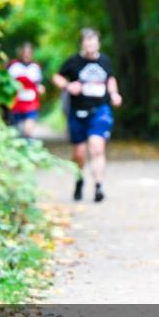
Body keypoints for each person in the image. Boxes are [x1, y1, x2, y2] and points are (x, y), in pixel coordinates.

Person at [52, 29, 123, 203]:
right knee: (79, 154)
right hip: (77, 112)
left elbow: (110, 79)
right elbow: (57, 77)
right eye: (87, 42)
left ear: (98, 43)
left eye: (94, 42)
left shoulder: (105, 61)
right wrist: (68, 86)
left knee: (97, 147)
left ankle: (99, 186)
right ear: (82, 44)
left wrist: (114, 93)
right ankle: (79, 180)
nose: (91, 45)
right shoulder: (73, 61)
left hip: (100, 110)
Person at [7, 42, 45, 140]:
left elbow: (38, 83)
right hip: (15, 103)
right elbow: (6, 82)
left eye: (28, 52)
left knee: (28, 130)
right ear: (20, 53)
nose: (26, 55)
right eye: (24, 52)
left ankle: (29, 143)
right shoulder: (13, 65)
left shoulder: (35, 67)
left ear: (32, 53)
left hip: (31, 103)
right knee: (15, 131)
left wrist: (40, 88)